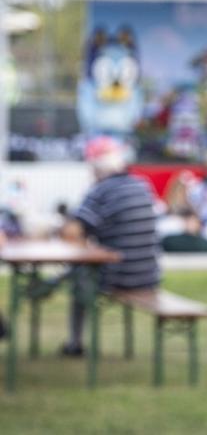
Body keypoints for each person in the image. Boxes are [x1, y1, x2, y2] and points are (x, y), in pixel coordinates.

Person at [59, 136, 160, 356]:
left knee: (78, 278)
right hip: (148, 274)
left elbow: (72, 232)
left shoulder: (101, 190)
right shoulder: (141, 184)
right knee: (78, 272)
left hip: (118, 275)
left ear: (95, 167)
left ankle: (75, 344)